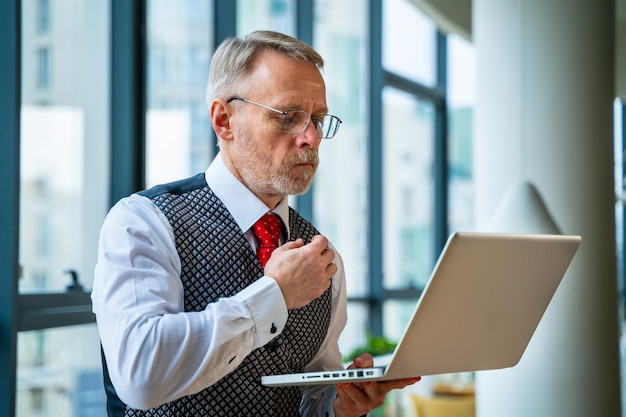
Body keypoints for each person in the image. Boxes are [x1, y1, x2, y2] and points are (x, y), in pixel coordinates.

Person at [92, 30, 420, 417]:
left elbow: (310, 395)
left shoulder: (322, 257)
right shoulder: (143, 223)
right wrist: (274, 294)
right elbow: (141, 376)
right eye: (288, 117)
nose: (312, 138)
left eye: (317, 119)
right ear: (224, 120)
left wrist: (339, 406)